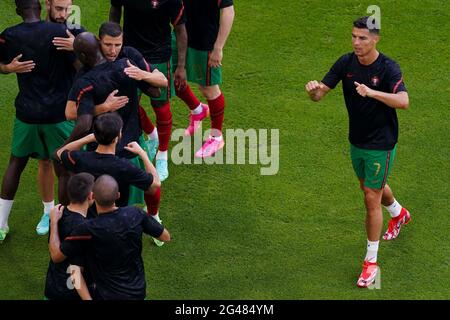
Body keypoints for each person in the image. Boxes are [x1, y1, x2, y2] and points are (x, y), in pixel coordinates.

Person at [305, 17, 411, 288]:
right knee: (369, 186)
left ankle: (370, 263)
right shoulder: (346, 63)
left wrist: (373, 93)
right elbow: (321, 95)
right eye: (353, 36)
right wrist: (314, 92)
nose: (356, 42)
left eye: (362, 38)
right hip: (357, 141)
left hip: (382, 143)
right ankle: (399, 213)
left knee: (370, 198)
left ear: (375, 39)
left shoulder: (388, 67)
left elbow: (403, 101)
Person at [0, 0, 78, 241]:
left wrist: (8, 68)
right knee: (64, 170)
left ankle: (1, 224)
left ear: (17, 10)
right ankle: (62, 223)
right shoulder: (61, 33)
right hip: (58, 115)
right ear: (41, 6)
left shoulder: (9, 35)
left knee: (16, 165)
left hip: (27, 115)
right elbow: (86, 63)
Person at [49, 175, 171, 300]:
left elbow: (69, 267)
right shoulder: (136, 214)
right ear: (117, 195)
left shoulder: (86, 230)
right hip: (137, 293)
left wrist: (53, 222)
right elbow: (165, 237)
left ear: (94, 196)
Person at [56, 113, 166, 246]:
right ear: (117, 137)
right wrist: (143, 154)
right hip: (115, 226)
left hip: (86, 222)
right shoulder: (124, 166)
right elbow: (155, 184)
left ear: (96, 135)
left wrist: (87, 139)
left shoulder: (81, 158)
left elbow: (60, 152)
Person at [110, 0, 188, 181]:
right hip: (129, 54)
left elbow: (180, 29)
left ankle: (162, 154)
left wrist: (181, 66)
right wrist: (115, 43)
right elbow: (115, 8)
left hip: (159, 56)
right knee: (126, 102)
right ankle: (152, 134)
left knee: (161, 106)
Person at [172, 0, 235, 158]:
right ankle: (198, 110)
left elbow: (228, 12)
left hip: (205, 43)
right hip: (180, 36)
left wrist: (218, 48)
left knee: (208, 89)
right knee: (171, 79)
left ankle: (216, 137)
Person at [44, 173, 95, 300]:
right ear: (90, 195)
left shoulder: (56, 214)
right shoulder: (85, 228)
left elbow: (53, 250)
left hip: (52, 288)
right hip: (72, 294)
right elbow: (75, 271)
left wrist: (54, 222)